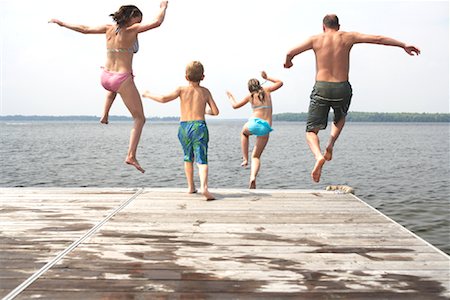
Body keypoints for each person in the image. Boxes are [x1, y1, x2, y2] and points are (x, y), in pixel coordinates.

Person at [284, 14, 420, 183]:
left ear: (323, 26)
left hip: (322, 86)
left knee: (311, 131)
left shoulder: (315, 39)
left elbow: (290, 52)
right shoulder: (348, 36)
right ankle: (331, 143)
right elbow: (378, 39)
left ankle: (318, 156)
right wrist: (403, 45)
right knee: (340, 118)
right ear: (338, 26)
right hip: (342, 86)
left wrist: (288, 62)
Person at [49, 1, 169, 173]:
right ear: (131, 17)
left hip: (106, 77)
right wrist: (163, 7)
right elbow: (157, 22)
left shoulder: (108, 28)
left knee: (113, 89)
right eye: (138, 20)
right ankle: (131, 155)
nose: (139, 24)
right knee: (140, 118)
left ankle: (104, 114)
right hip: (121, 79)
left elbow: (84, 28)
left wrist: (62, 23)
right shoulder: (131, 30)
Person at [142, 61, 219, 200]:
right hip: (199, 126)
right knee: (202, 158)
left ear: (186, 77)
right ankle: (204, 187)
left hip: (184, 127)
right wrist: (206, 111)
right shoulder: (205, 92)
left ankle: (191, 187)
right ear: (203, 77)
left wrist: (148, 94)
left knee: (187, 157)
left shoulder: (181, 90)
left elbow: (163, 99)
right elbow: (216, 111)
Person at [226, 71, 283, 189]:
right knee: (256, 156)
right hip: (265, 127)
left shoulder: (250, 96)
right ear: (259, 85)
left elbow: (235, 106)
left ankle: (245, 159)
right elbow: (280, 82)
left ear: (249, 88)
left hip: (253, 123)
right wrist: (267, 77)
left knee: (243, 133)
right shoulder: (267, 91)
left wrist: (230, 97)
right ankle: (252, 176)